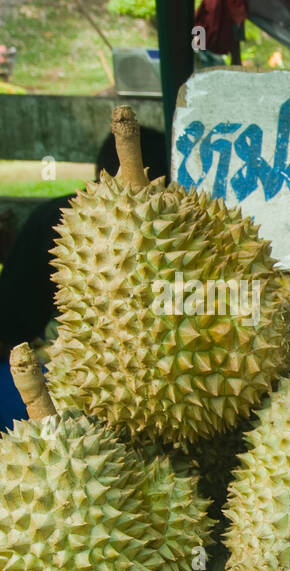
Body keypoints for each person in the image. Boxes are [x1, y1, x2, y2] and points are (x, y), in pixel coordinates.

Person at [0, 127, 168, 426]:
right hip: (53, 375)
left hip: (107, 378)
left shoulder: (50, 216)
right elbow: (9, 329)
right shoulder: (58, 224)